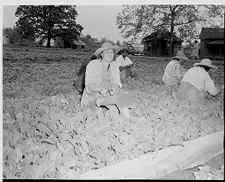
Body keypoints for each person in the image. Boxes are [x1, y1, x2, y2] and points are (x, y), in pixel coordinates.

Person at [81, 42, 136, 118]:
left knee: (123, 96)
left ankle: (126, 120)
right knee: (92, 117)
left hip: (107, 95)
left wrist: (114, 89)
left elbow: (116, 83)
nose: (109, 54)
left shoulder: (114, 65)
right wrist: (99, 90)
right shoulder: (93, 64)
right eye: (107, 52)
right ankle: (102, 110)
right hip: (93, 95)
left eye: (111, 52)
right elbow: (89, 84)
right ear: (102, 54)